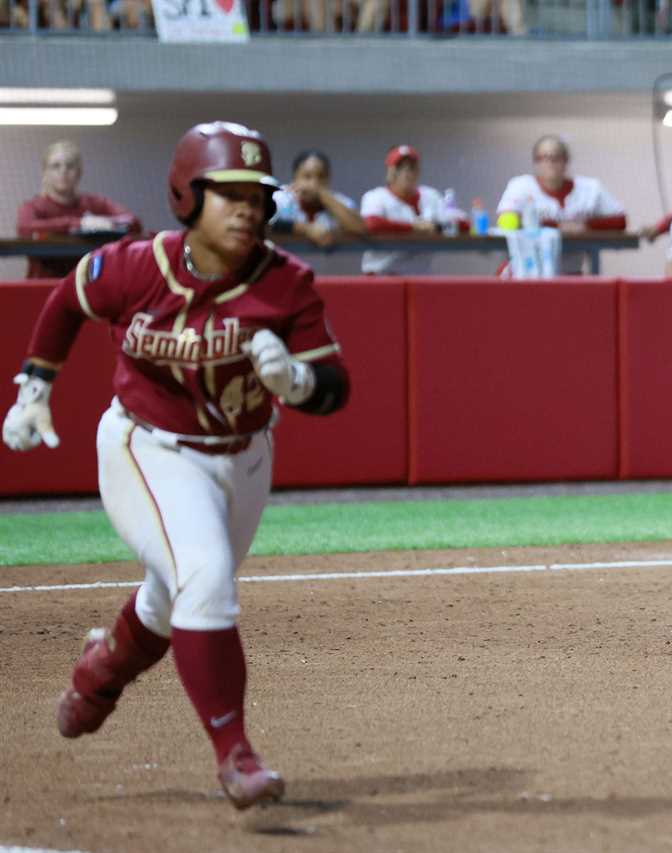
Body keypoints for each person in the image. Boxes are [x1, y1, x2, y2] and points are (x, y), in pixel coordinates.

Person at [2, 121, 350, 810]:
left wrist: (299, 385)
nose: (249, 208)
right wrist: (34, 387)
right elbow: (66, 301)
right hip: (147, 446)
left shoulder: (286, 283)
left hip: (245, 459)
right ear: (187, 196)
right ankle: (237, 756)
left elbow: (335, 385)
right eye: (230, 194)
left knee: (173, 597)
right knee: (206, 577)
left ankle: (98, 675)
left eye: (258, 195)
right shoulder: (136, 265)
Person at [496, 135, 627, 275]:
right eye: (544, 157)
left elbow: (620, 221)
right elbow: (507, 222)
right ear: (536, 162)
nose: (550, 163)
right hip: (524, 272)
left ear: (566, 161)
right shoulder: (520, 186)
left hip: (570, 272)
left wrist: (585, 226)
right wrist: (558, 226)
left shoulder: (590, 188)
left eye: (556, 157)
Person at [16, 140, 141, 280]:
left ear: (79, 172)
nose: (63, 171)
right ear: (45, 172)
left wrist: (106, 223)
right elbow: (25, 228)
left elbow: (132, 221)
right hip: (42, 288)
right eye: (55, 166)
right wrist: (80, 223)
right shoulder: (32, 207)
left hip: (83, 289)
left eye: (70, 166)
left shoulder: (94, 203)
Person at [360, 144, 446, 275]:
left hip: (419, 277)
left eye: (411, 167)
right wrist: (413, 227)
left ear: (418, 171)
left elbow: (458, 222)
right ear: (390, 171)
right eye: (400, 167)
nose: (406, 172)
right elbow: (371, 224)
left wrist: (437, 227)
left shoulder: (431, 196)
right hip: (382, 275)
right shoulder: (375, 196)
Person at [270, 149, 367, 248]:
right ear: (295, 178)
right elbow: (264, 223)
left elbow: (360, 228)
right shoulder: (281, 197)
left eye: (321, 177)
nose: (314, 183)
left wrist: (322, 195)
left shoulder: (337, 201)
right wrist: (306, 229)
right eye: (307, 177)